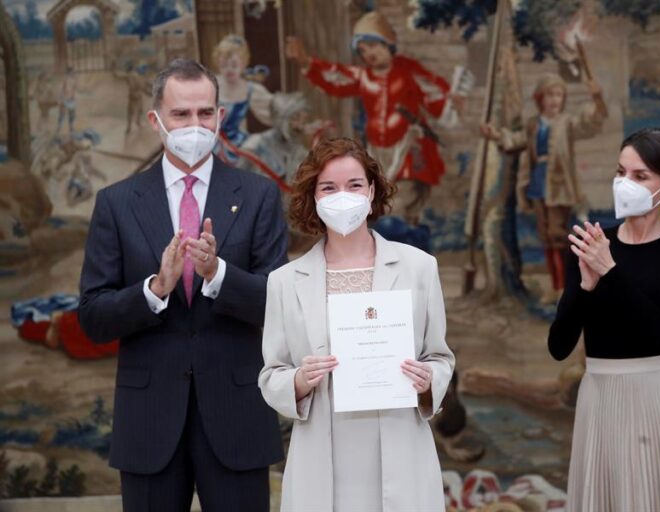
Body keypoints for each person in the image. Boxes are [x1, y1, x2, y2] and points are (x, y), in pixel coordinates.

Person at [78, 58, 286, 512]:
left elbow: (281, 304)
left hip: (237, 420)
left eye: (205, 113)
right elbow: (92, 317)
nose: (195, 125)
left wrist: (219, 276)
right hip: (149, 424)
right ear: (156, 120)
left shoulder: (258, 196)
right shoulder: (116, 204)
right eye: (181, 114)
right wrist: (154, 288)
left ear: (220, 117)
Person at [258, 137, 454, 511]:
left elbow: (440, 357)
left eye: (354, 185)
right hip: (323, 449)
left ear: (372, 191)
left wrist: (429, 380)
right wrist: (299, 380)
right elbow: (271, 374)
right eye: (328, 188)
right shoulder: (285, 280)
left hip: (401, 444)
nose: (342, 196)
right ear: (313, 198)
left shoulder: (419, 267)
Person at [548, 128, 660, 511]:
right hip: (600, 396)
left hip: (658, 397)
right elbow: (559, 347)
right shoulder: (591, 244)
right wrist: (586, 287)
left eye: (640, 177)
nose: (625, 184)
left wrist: (611, 272)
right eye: (621, 172)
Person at [286, 11, 460, 226]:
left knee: (406, 199)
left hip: (407, 146)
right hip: (377, 150)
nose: (368, 53)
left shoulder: (408, 71)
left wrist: (451, 102)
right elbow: (335, 77)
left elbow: (435, 92)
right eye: (362, 49)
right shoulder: (363, 76)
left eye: (373, 45)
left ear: (388, 43)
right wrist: (307, 63)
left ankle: (408, 239)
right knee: (378, 200)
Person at [481, 73, 606, 304]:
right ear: (540, 98)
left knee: (559, 237)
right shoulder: (533, 124)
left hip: (559, 188)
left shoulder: (567, 122)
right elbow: (517, 140)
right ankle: (555, 286)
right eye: (549, 95)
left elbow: (590, 123)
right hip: (537, 185)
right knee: (546, 238)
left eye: (558, 94)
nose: (554, 100)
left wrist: (597, 100)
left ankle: (568, 286)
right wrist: (496, 134)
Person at [213, 34, 273, 166]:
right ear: (218, 63)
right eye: (224, 65)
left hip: (237, 145)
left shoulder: (249, 89)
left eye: (234, 65)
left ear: (244, 63)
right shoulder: (211, 84)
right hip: (209, 143)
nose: (229, 69)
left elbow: (273, 111)